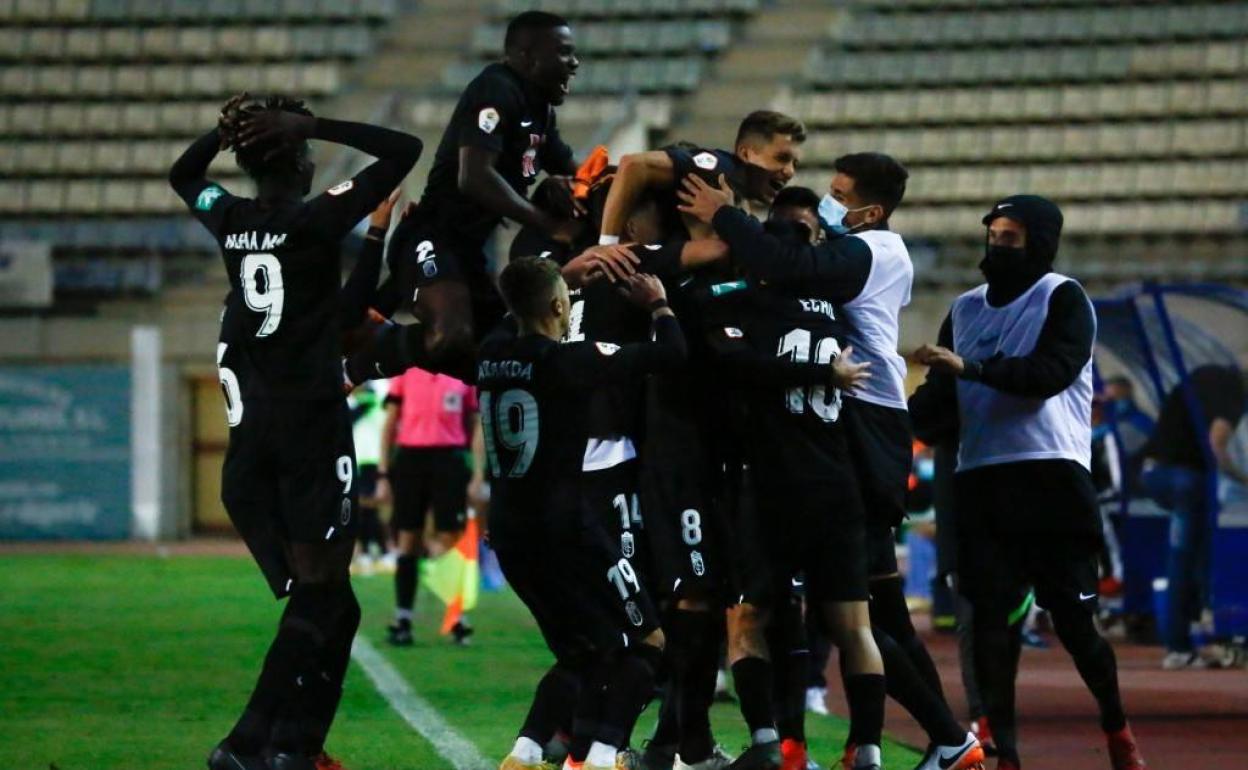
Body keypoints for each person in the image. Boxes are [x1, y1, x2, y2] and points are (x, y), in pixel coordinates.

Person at [680, 159, 983, 770]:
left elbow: (788, 271)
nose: (826, 205)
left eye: (838, 197)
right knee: (854, 608)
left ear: (869, 212)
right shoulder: (832, 281)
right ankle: (918, 740)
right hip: (850, 428)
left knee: (854, 608)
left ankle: (945, 738)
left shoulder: (874, 251)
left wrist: (726, 218)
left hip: (863, 429)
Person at [169, 93, 422, 770]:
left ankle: (296, 748)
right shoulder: (315, 221)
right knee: (322, 591)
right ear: (301, 160)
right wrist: (312, 125)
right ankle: (250, 742)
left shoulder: (231, 219)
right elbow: (404, 150)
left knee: (335, 606)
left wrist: (222, 134)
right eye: (307, 149)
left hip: (255, 435)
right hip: (311, 422)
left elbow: (183, 177)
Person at [908, 194, 1146, 770]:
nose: (997, 245)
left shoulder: (1062, 297)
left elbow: (1049, 375)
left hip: (1051, 477)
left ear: (1039, 242)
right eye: (993, 234)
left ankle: (1116, 727)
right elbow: (940, 401)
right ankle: (1002, 750)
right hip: (981, 482)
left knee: (1073, 622)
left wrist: (974, 369)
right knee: (989, 623)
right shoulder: (963, 309)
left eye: (1011, 237)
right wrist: (885, 409)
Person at [482, 257, 685, 770]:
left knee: (583, 650)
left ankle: (525, 753)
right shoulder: (571, 359)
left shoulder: (490, 355)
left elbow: (515, 317)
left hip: (508, 533)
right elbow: (673, 355)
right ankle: (598, 758)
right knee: (648, 640)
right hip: (568, 530)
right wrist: (659, 305)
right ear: (558, 306)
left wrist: (563, 279)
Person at [345, 10, 583, 385]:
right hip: (430, 236)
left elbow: (574, 171)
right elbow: (474, 177)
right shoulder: (496, 89)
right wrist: (548, 224)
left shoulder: (541, 113)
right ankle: (361, 358)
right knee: (450, 336)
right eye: (564, 52)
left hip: (470, 255)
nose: (575, 63)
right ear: (526, 57)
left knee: (498, 362)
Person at [1141, 364, 1247, 669]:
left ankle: (1190, 636)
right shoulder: (1234, 392)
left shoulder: (1204, 374)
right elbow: (1217, 442)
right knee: (1187, 560)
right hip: (1186, 478)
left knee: (1188, 555)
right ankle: (1182, 643)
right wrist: (1242, 478)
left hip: (1155, 472)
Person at [377, 367, 483, 646]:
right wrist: (384, 473)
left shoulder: (462, 375)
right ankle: (403, 618)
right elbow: (390, 423)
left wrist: (478, 474)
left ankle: (457, 617)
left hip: (449, 460)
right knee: (408, 538)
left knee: (451, 539)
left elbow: (475, 426)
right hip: (411, 459)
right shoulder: (405, 372)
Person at [349, 380, 390, 574]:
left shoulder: (370, 398)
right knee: (366, 509)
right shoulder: (366, 399)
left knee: (368, 507)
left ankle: (375, 552)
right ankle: (376, 552)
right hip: (361, 461)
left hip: (370, 460)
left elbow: (350, 417)